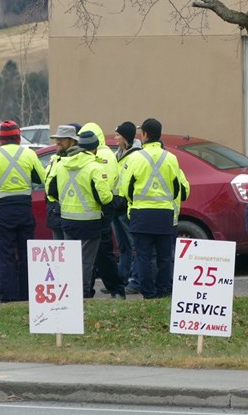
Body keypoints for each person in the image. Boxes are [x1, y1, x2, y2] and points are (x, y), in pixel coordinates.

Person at [120, 118, 186, 299]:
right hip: (165, 213)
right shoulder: (171, 158)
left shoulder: (134, 158)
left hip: (141, 213)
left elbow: (126, 188)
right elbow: (176, 187)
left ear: (145, 135)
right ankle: (163, 290)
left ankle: (148, 292)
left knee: (143, 256)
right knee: (165, 256)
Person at [0, 120, 46, 302]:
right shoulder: (29, 154)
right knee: (26, 253)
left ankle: (9, 295)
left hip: (3, 209)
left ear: (1, 139)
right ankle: (27, 293)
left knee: (6, 253)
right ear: (18, 137)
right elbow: (42, 178)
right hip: (25, 207)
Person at [48, 131, 118, 298]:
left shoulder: (60, 164)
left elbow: (51, 191)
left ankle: (69, 294)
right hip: (90, 221)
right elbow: (105, 197)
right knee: (86, 262)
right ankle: (83, 294)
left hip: (67, 220)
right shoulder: (95, 167)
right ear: (94, 149)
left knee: (70, 261)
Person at [79, 122, 128, 299]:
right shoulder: (103, 154)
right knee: (94, 252)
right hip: (100, 208)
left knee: (100, 251)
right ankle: (92, 288)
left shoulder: (102, 155)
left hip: (100, 208)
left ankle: (113, 288)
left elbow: (103, 186)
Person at [113, 121, 142, 294]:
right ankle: (121, 279)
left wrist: (125, 200)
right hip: (116, 206)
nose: (115, 138)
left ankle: (136, 280)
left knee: (134, 244)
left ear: (126, 137)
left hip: (126, 206)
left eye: (118, 135)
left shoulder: (135, 155)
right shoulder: (118, 154)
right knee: (123, 246)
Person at [45, 125, 80, 240]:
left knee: (71, 252)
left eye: (62, 139)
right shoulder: (55, 158)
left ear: (72, 141)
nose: (58, 142)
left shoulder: (77, 159)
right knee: (60, 252)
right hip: (54, 210)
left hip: (70, 211)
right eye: (57, 139)